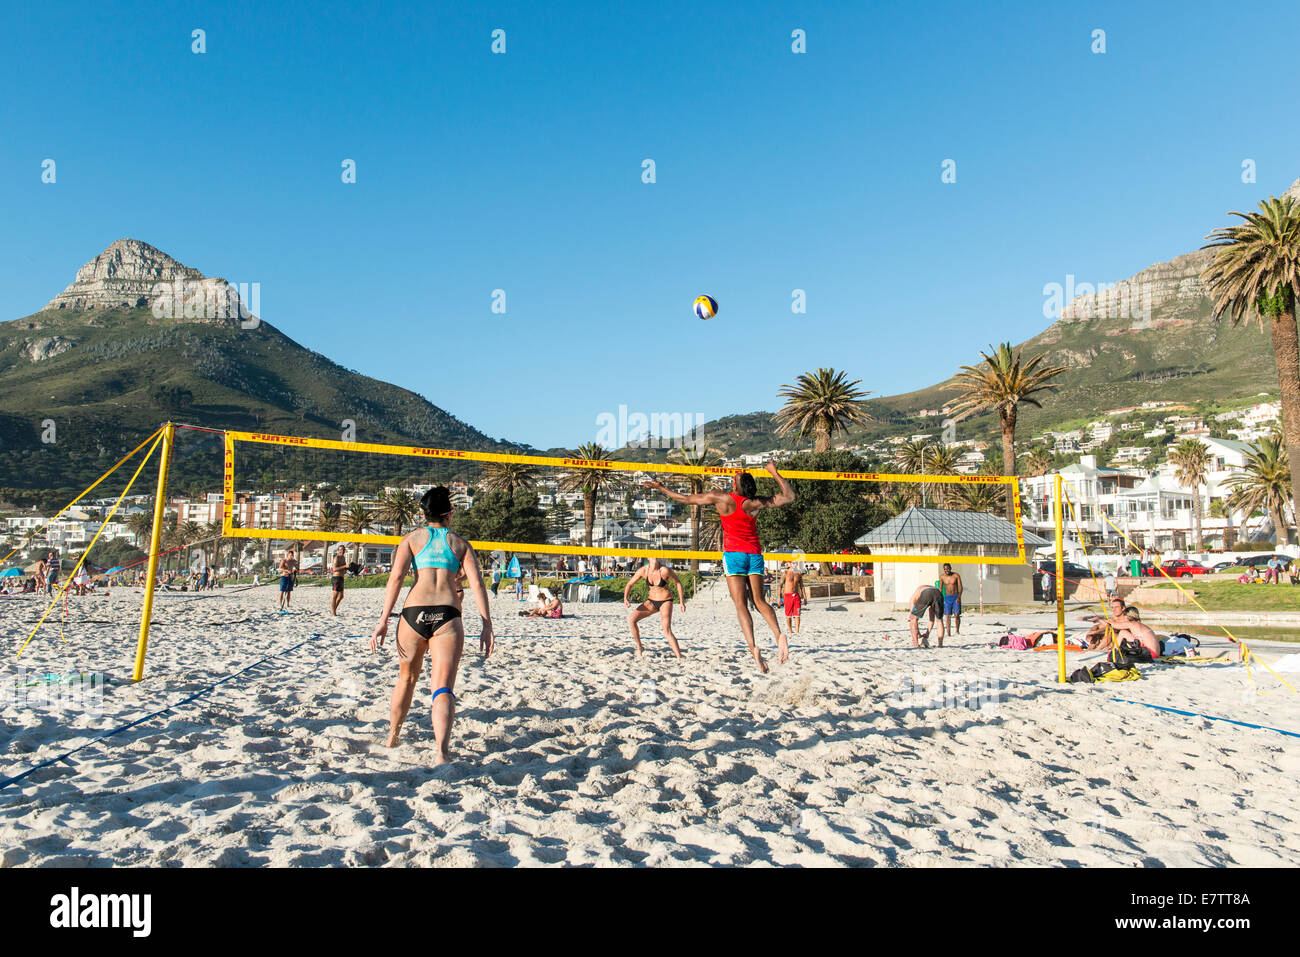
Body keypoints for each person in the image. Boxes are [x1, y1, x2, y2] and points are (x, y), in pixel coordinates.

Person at [370, 487, 493, 761]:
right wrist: (487, 625)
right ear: (449, 514)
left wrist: (383, 621)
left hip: (414, 613)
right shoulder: (460, 544)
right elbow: (477, 584)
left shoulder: (412, 539)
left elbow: (396, 579)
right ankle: (441, 752)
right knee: (443, 688)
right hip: (447, 614)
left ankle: (392, 738)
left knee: (406, 680)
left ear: (425, 514)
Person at [644, 461, 794, 673]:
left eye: (735, 477)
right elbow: (789, 497)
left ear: (736, 486)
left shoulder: (721, 498)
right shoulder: (756, 503)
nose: (733, 476)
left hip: (734, 555)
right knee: (760, 601)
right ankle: (779, 635)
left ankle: (754, 649)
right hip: (754, 554)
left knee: (741, 606)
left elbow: (686, 499)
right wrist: (774, 472)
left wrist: (661, 488)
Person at [623, 557, 685, 658]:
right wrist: (625, 598)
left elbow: (678, 583)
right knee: (631, 619)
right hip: (651, 601)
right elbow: (629, 584)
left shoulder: (665, 570)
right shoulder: (643, 571)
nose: (655, 559)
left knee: (666, 629)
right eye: (653, 557)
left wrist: (682, 602)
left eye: (657, 557)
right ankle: (640, 648)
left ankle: (679, 656)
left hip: (666, 601)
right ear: (649, 559)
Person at [907, 582, 945, 648]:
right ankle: (940, 644)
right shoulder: (932, 588)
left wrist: (918, 633)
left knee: (913, 619)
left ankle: (916, 644)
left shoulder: (915, 595)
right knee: (939, 620)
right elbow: (931, 619)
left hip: (926, 593)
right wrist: (927, 633)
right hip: (938, 593)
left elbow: (913, 619)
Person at [780, 562, 806, 635]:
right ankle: (790, 631)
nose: (795, 565)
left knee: (797, 615)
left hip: (796, 595)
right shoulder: (785, 573)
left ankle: (797, 631)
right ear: (790, 564)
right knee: (788, 616)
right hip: (788, 595)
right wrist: (779, 597)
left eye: (796, 563)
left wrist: (805, 597)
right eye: (793, 563)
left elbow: (802, 586)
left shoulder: (799, 574)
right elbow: (780, 585)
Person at [938, 563, 963, 636]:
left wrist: (959, 597)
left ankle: (957, 631)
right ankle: (948, 633)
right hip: (947, 597)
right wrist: (939, 598)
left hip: (955, 597)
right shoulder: (942, 577)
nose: (947, 570)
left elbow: (960, 587)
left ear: (950, 568)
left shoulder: (956, 575)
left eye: (948, 569)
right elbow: (940, 588)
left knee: (957, 615)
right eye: (945, 569)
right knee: (947, 616)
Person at [329, 545, 348, 615]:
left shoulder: (343, 557)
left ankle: (334, 610)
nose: (342, 551)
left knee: (341, 596)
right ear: (338, 550)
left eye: (343, 549)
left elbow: (344, 567)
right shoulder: (336, 558)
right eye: (340, 549)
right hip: (336, 578)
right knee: (335, 595)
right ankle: (333, 612)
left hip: (341, 577)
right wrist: (344, 566)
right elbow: (334, 569)